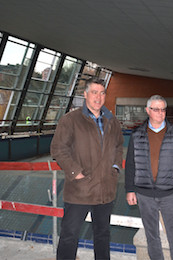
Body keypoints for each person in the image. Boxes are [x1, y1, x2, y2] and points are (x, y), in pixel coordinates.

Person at [51, 77, 124, 260]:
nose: (98, 97)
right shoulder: (71, 120)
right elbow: (58, 149)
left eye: (102, 93)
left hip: (105, 190)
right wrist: (76, 173)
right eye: (94, 92)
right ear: (85, 94)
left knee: (102, 235)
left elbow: (118, 147)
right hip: (80, 190)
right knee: (69, 236)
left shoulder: (111, 120)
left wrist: (114, 168)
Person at [125, 95, 173, 260]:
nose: (160, 113)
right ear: (148, 110)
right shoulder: (136, 135)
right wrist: (130, 190)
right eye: (156, 109)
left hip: (171, 195)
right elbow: (130, 164)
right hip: (144, 194)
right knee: (152, 237)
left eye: (163, 109)